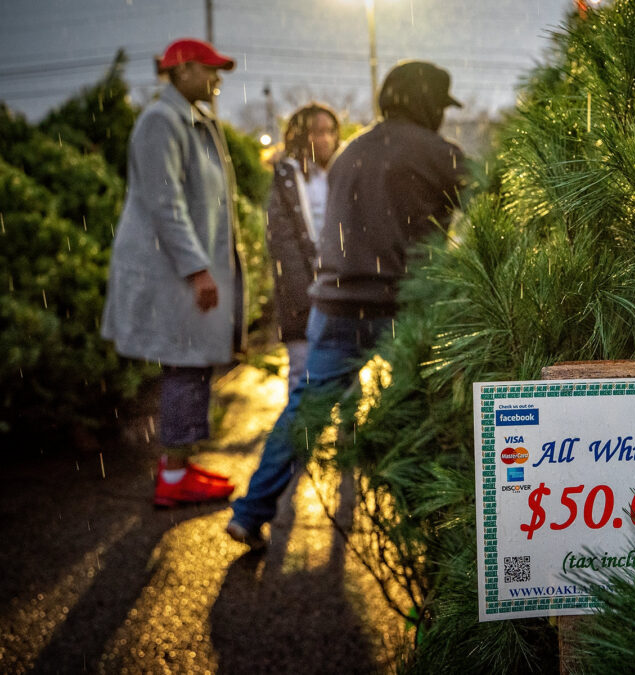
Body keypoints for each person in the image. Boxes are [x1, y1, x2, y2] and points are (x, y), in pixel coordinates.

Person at [227, 60, 467, 548]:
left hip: (334, 305)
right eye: (439, 105)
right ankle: (424, 533)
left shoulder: (350, 151)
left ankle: (251, 513)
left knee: (305, 411)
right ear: (425, 104)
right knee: (417, 411)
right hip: (402, 308)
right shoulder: (440, 153)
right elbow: (495, 208)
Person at [101, 38, 245, 507]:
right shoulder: (160, 121)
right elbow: (166, 204)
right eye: (209, 69)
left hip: (182, 270)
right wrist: (199, 270)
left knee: (193, 366)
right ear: (181, 71)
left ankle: (177, 467)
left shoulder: (191, 119)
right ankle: (172, 477)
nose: (216, 78)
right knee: (186, 366)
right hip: (175, 273)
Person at [266, 104, 341, 392]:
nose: (325, 139)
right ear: (300, 137)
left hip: (339, 291)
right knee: (301, 371)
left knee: (346, 374)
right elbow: (282, 243)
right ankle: (301, 437)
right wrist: (306, 296)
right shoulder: (287, 177)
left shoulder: (341, 172)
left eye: (330, 132)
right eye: (315, 132)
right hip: (300, 297)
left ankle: (352, 437)